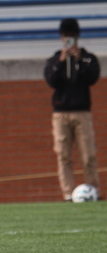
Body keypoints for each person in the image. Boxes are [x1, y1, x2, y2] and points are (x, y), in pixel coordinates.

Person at [43, 18, 101, 202]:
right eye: (66, 36)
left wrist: (79, 60)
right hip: (61, 113)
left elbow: (93, 77)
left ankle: (93, 189)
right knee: (63, 155)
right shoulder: (54, 59)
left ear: (77, 37)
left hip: (82, 112)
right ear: (61, 37)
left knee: (88, 155)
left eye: (72, 36)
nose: (69, 39)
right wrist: (61, 61)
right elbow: (51, 81)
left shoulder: (87, 58)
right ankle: (67, 193)